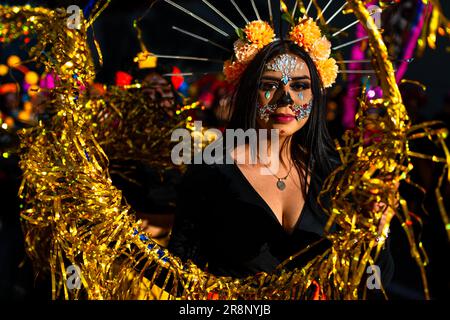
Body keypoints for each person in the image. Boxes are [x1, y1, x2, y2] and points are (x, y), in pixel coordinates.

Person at [167, 40, 394, 297]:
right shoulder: (211, 169)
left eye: (299, 86)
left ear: (315, 95)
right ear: (251, 92)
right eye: (270, 86)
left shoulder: (334, 176)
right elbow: (180, 275)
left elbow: (373, 283)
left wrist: (377, 231)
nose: (285, 99)